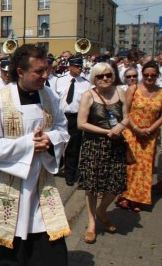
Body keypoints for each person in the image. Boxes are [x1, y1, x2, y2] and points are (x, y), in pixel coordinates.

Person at [0, 44, 70, 265]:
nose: (45, 75)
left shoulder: (49, 96)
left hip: (39, 186)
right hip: (2, 187)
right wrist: (29, 144)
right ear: (20, 72)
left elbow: (62, 128)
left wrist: (51, 140)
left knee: (48, 254)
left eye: (46, 69)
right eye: (39, 71)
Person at [77, 62, 129, 244]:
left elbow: (127, 117)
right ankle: (92, 223)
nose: (105, 78)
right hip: (94, 146)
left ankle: (101, 211)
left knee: (117, 183)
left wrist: (120, 127)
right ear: (94, 78)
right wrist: (106, 131)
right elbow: (81, 123)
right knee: (92, 186)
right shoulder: (88, 95)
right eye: (100, 76)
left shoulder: (120, 92)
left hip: (116, 146)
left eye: (108, 75)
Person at [118, 61, 162, 212]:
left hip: (150, 135)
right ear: (142, 74)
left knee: (145, 168)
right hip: (132, 131)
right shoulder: (133, 89)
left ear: (157, 76)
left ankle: (138, 199)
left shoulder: (161, 92)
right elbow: (125, 112)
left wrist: (150, 129)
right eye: (146, 75)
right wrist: (136, 128)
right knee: (131, 166)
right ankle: (125, 196)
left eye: (153, 75)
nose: (149, 78)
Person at [54, 57, 91, 186]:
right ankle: (57, 164)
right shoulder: (59, 81)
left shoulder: (86, 84)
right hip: (61, 116)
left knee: (73, 147)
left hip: (76, 117)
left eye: (80, 66)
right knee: (58, 144)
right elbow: (54, 99)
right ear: (70, 66)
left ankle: (70, 174)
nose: (79, 68)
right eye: (76, 66)